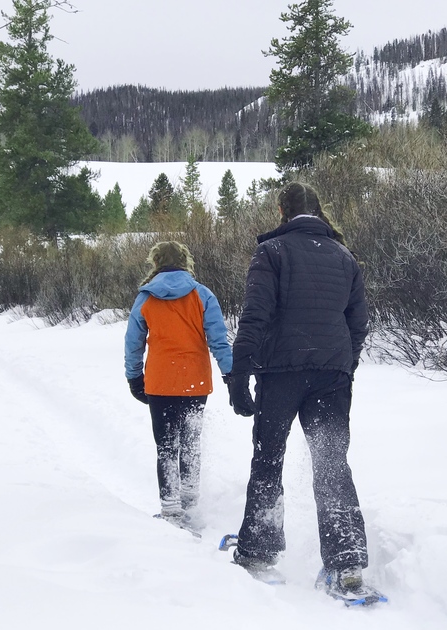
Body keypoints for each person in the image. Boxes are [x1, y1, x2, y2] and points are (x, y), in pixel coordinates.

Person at [225, 182, 373, 599]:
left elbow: (255, 316)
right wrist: (345, 364)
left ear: (281, 210)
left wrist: (239, 375)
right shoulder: (345, 257)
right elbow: (358, 324)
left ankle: (258, 551)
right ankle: (346, 565)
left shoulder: (271, 252)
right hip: (331, 375)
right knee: (332, 464)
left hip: (282, 373)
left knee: (268, 456)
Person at [125, 241, 232, 529]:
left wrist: (134, 376)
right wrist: (230, 374)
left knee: (166, 446)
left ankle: (171, 510)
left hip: (159, 383)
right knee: (191, 444)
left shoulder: (146, 297)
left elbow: (133, 343)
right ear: (186, 261)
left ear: (156, 262)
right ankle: (191, 504)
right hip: (195, 382)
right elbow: (218, 339)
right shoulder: (202, 295)